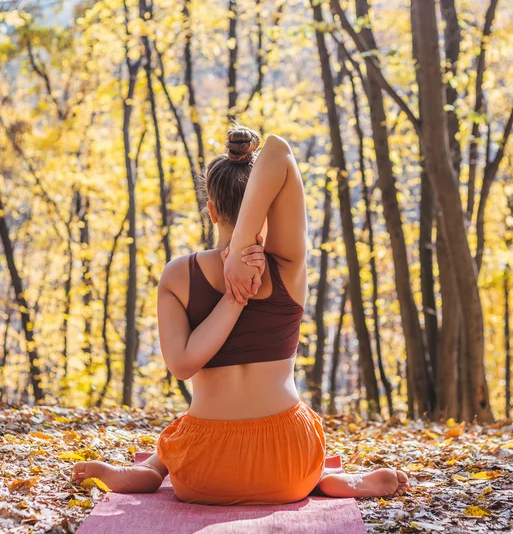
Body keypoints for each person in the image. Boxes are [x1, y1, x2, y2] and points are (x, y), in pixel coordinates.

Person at [72, 125, 410, 504]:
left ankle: (149, 470)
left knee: (179, 433)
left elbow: (182, 366)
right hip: (289, 464)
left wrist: (233, 274)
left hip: (203, 472)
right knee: (304, 430)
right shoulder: (288, 266)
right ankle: (326, 476)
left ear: (211, 211)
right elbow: (279, 149)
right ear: (265, 209)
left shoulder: (178, 275)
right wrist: (239, 287)